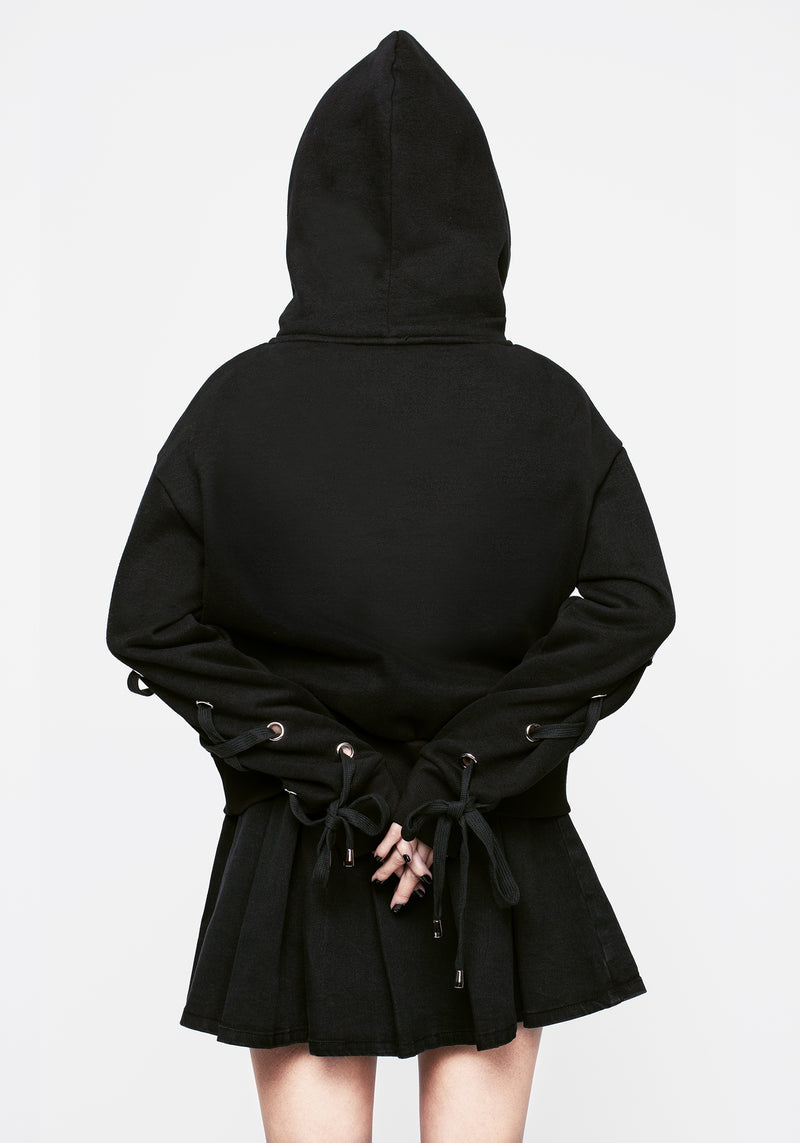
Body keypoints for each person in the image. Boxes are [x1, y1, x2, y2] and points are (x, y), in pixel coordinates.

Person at [106, 28, 676, 1143]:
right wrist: (457, 775)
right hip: (489, 828)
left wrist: (343, 773)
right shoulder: (549, 408)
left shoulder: (232, 407)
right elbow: (633, 604)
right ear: (484, 213)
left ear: (306, 212)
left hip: (303, 834)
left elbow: (147, 618)